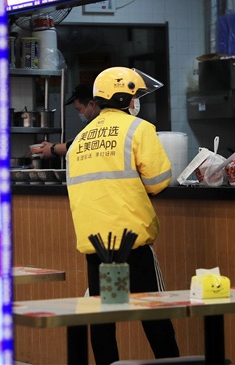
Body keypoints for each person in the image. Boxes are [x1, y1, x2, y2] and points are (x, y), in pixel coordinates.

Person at [66, 67, 180, 365]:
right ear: (123, 98)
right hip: (133, 242)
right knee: (154, 315)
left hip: (95, 245)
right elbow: (158, 181)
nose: (135, 101)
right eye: (134, 96)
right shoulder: (138, 129)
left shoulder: (79, 141)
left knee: (104, 319)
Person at [29, 83, 98, 158]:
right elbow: (78, 141)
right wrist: (55, 146)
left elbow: (81, 145)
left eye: (79, 109)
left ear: (91, 104)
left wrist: (53, 149)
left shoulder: (102, 124)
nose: (79, 114)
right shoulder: (93, 124)